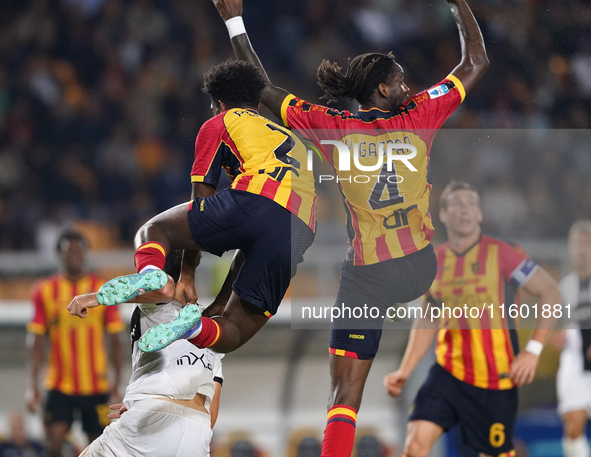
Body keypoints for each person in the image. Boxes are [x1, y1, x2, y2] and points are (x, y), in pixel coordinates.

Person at [211, 0, 489, 454]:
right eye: (401, 80)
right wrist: (457, 3)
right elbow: (476, 60)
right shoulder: (420, 115)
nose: (408, 85)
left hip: (369, 275)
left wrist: (234, 21)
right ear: (383, 89)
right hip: (420, 268)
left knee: (344, 395)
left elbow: (260, 89)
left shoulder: (331, 127)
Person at [68, 60, 316, 357]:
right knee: (233, 329)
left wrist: (186, 276)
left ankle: (150, 273)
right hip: (300, 228)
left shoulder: (221, 122)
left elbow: (200, 200)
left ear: (219, 103)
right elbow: (253, 243)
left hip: (258, 194)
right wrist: (223, 302)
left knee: (154, 229)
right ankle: (194, 328)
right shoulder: (288, 138)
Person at [383, 181, 561, 457]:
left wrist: (533, 351)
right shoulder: (432, 262)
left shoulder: (503, 252)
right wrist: (405, 369)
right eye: (456, 203)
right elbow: (428, 318)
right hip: (448, 373)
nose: (465, 209)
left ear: (479, 214)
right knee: (415, 445)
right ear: (442, 214)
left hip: (495, 379)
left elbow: (550, 293)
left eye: (471, 204)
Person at [74, 251, 223, 457]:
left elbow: (163, 288)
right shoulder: (212, 329)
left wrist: (94, 298)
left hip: (151, 416)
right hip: (197, 433)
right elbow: (211, 414)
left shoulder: (155, 304)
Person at [25, 229, 125, 457]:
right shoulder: (44, 290)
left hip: (96, 383)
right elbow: (36, 340)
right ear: (59, 256)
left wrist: (117, 381)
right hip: (59, 383)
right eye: (69, 252)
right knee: (53, 445)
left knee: (101, 448)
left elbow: (115, 338)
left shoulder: (101, 290)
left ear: (86, 253)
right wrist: (32, 386)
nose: (75, 255)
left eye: (80, 251)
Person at [555, 220, 591, 457]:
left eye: (586, 243)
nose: (580, 249)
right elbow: (557, 325)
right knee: (573, 424)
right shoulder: (565, 286)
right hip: (575, 360)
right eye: (576, 244)